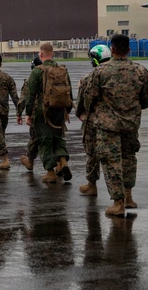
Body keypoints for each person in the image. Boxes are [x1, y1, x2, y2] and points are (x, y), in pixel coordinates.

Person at [83, 34, 148, 217]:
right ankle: (129, 197)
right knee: (129, 159)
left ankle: (118, 202)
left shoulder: (100, 72)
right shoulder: (140, 71)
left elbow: (90, 97)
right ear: (129, 49)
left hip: (108, 126)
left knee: (111, 161)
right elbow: (146, 100)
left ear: (112, 49)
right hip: (131, 124)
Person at [23, 42, 73, 183]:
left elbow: (31, 95)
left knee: (44, 140)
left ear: (41, 54)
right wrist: (67, 110)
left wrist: (28, 114)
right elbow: (69, 92)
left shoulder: (37, 71)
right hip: (60, 110)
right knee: (58, 138)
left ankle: (50, 172)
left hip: (43, 111)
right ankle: (63, 161)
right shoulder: (62, 70)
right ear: (53, 54)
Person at [75, 44, 111, 196]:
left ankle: (91, 184)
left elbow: (82, 104)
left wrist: (80, 114)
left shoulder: (89, 78)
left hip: (94, 121)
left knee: (92, 153)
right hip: (116, 122)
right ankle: (125, 193)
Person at [16, 56, 41, 171]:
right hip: (55, 112)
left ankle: (30, 160)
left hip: (36, 113)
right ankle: (61, 163)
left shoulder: (30, 79)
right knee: (56, 138)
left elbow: (23, 99)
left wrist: (19, 114)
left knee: (34, 138)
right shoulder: (54, 75)